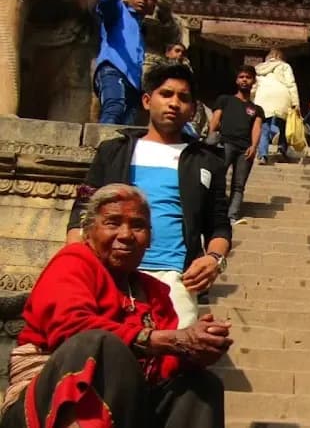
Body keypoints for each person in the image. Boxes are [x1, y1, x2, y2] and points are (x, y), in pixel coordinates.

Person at [0, 183, 232, 428]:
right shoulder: (74, 262)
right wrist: (169, 339)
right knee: (101, 343)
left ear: (150, 239)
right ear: (88, 232)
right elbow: (69, 328)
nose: (126, 235)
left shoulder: (155, 291)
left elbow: (165, 368)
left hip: (129, 407)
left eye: (138, 226)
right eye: (112, 223)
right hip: (49, 404)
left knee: (201, 385)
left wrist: (198, 349)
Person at [67, 63, 232, 329]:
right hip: (109, 270)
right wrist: (77, 261)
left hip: (175, 278)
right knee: (103, 346)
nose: (174, 103)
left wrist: (214, 259)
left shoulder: (207, 161)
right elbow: (82, 210)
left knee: (174, 351)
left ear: (192, 110)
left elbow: (220, 224)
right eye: (166, 94)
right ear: (147, 100)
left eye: (183, 98)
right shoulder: (114, 151)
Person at [94, 0, 158, 125]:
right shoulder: (119, 11)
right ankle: (103, 140)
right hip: (113, 70)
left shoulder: (141, 29)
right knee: (114, 108)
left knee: (127, 125)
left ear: (153, 6)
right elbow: (106, 4)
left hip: (134, 83)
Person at [207, 65, 264, 225]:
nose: (244, 80)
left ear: (253, 81)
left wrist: (254, 146)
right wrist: (212, 137)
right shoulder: (225, 100)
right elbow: (215, 120)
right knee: (217, 179)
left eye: (248, 77)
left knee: (239, 185)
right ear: (236, 80)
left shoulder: (256, 109)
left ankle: (232, 215)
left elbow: (257, 128)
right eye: (241, 77)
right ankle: (214, 212)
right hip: (225, 143)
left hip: (244, 149)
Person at [252, 49, 300, 162]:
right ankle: (281, 147)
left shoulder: (258, 68)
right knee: (283, 125)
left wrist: (252, 100)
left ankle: (263, 155)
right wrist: (296, 103)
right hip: (282, 96)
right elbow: (291, 84)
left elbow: (254, 87)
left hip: (263, 97)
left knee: (264, 127)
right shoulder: (284, 66)